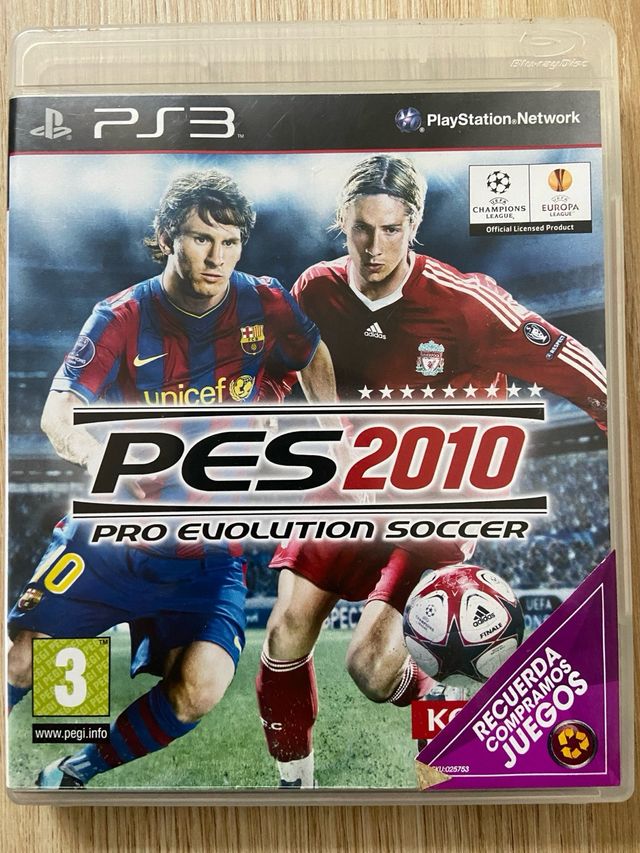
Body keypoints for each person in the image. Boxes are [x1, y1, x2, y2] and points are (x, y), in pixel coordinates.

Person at [255, 154, 608, 787]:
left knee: (370, 669)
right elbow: (286, 368)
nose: (374, 247)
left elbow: (568, 360)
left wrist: (622, 425)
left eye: (390, 230)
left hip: (437, 498)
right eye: (361, 228)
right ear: (342, 222)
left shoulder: (465, 302)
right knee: (284, 632)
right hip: (350, 488)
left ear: (413, 225)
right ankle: (294, 787)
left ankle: (446, 702)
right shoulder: (315, 290)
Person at [7, 168, 335, 788]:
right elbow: (58, 411)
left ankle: (73, 770)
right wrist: (95, 456)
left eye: (230, 241)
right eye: (201, 238)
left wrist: (332, 427)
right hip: (115, 539)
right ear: (165, 236)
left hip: (206, 549)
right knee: (22, 661)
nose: (217, 257)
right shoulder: (121, 316)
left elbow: (310, 350)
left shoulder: (265, 301)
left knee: (200, 686)